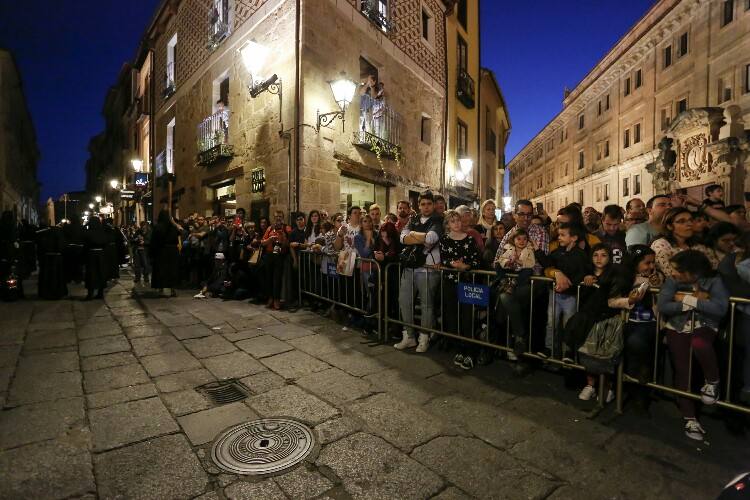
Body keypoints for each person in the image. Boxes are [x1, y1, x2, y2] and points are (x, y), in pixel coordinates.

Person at [657, 250, 729, 441]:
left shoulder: (714, 281)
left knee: (700, 344)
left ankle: (713, 382)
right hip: (677, 327)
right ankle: (689, 418)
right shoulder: (672, 281)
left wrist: (685, 298)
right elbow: (663, 305)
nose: (672, 273)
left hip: (705, 325)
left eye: (677, 270)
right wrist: (696, 302)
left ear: (692, 272)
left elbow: (720, 308)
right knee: (683, 371)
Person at [395, 190, 443, 353]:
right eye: (423, 204)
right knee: (404, 301)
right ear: (418, 205)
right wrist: (417, 236)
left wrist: (412, 235)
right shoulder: (413, 219)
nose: (426, 207)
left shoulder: (438, 220)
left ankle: (424, 338)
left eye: (429, 204)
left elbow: (432, 238)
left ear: (433, 205)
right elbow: (402, 238)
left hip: (428, 268)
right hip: (410, 266)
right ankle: (408, 336)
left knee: (426, 305)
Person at [539, 223, 590, 358]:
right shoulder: (557, 252)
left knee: (568, 324)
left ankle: (568, 351)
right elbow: (548, 264)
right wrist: (537, 251)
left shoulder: (581, 255)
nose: (559, 238)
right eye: (558, 234)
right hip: (555, 293)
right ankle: (548, 348)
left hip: (570, 296)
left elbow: (582, 273)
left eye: (562, 235)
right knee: (551, 323)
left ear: (573, 238)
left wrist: (569, 284)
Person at [622, 245, 663, 412]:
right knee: (637, 359)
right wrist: (630, 299)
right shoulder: (624, 278)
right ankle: (636, 395)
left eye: (653, 263)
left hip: (653, 324)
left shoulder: (658, 278)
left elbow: (664, 301)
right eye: (647, 263)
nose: (651, 266)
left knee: (651, 360)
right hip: (632, 324)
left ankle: (645, 393)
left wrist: (658, 286)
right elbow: (614, 300)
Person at [439, 210, 482, 369]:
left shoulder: (470, 239)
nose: (456, 223)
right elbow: (444, 258)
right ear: (447, 224)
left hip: (467, 282)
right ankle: (459, 349)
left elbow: (477, 261)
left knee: (467, 317)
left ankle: (470, 352)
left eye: (457, 220)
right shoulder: (444, 240)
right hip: (450, 282)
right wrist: (452, 264)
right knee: (452, 316)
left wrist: (466, 266)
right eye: (452, 221)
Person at [718, 231, 750, 405]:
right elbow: (739, 291)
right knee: (737, 363)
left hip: (740, 317)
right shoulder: (734, 262)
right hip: (736, 319)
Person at [650, 207, 718, 278]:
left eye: (691, 220)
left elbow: (714, 267)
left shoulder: (697, 244)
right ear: (669, 226)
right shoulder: (661, 245)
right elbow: (671, 275)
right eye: (682, 221)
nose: (689, 224)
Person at [261, 210, 290, 310]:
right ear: (273, 218)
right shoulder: (269, 228)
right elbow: (263, 242)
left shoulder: (287, 228)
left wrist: (283, 236)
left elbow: (288, 244)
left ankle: (277, 299)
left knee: (277, 278)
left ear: (283, 217)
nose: (278, 218)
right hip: (269, 255)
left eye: (280, 216)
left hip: (280, 255)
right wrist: (269, 239)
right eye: (276, 216)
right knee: (268, 277)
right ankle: (270, 298)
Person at [150, 209, 182, 297]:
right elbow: (180, 233)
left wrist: (152, 252)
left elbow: (154, 241)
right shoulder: (173, 227)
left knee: (161, 270)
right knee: (172, 270)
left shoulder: (158, 227)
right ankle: (172, 289)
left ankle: (161, 288)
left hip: (161, 251)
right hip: (172, 252)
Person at [82, 217, 108, 300]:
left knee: (91, 274)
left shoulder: (88, 232)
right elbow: (105, 243)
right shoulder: (102, 232)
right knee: (101, 273)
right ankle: (100, 293)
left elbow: (85, 243)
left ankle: (90, 294)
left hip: (91, 255)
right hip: (101, 254)